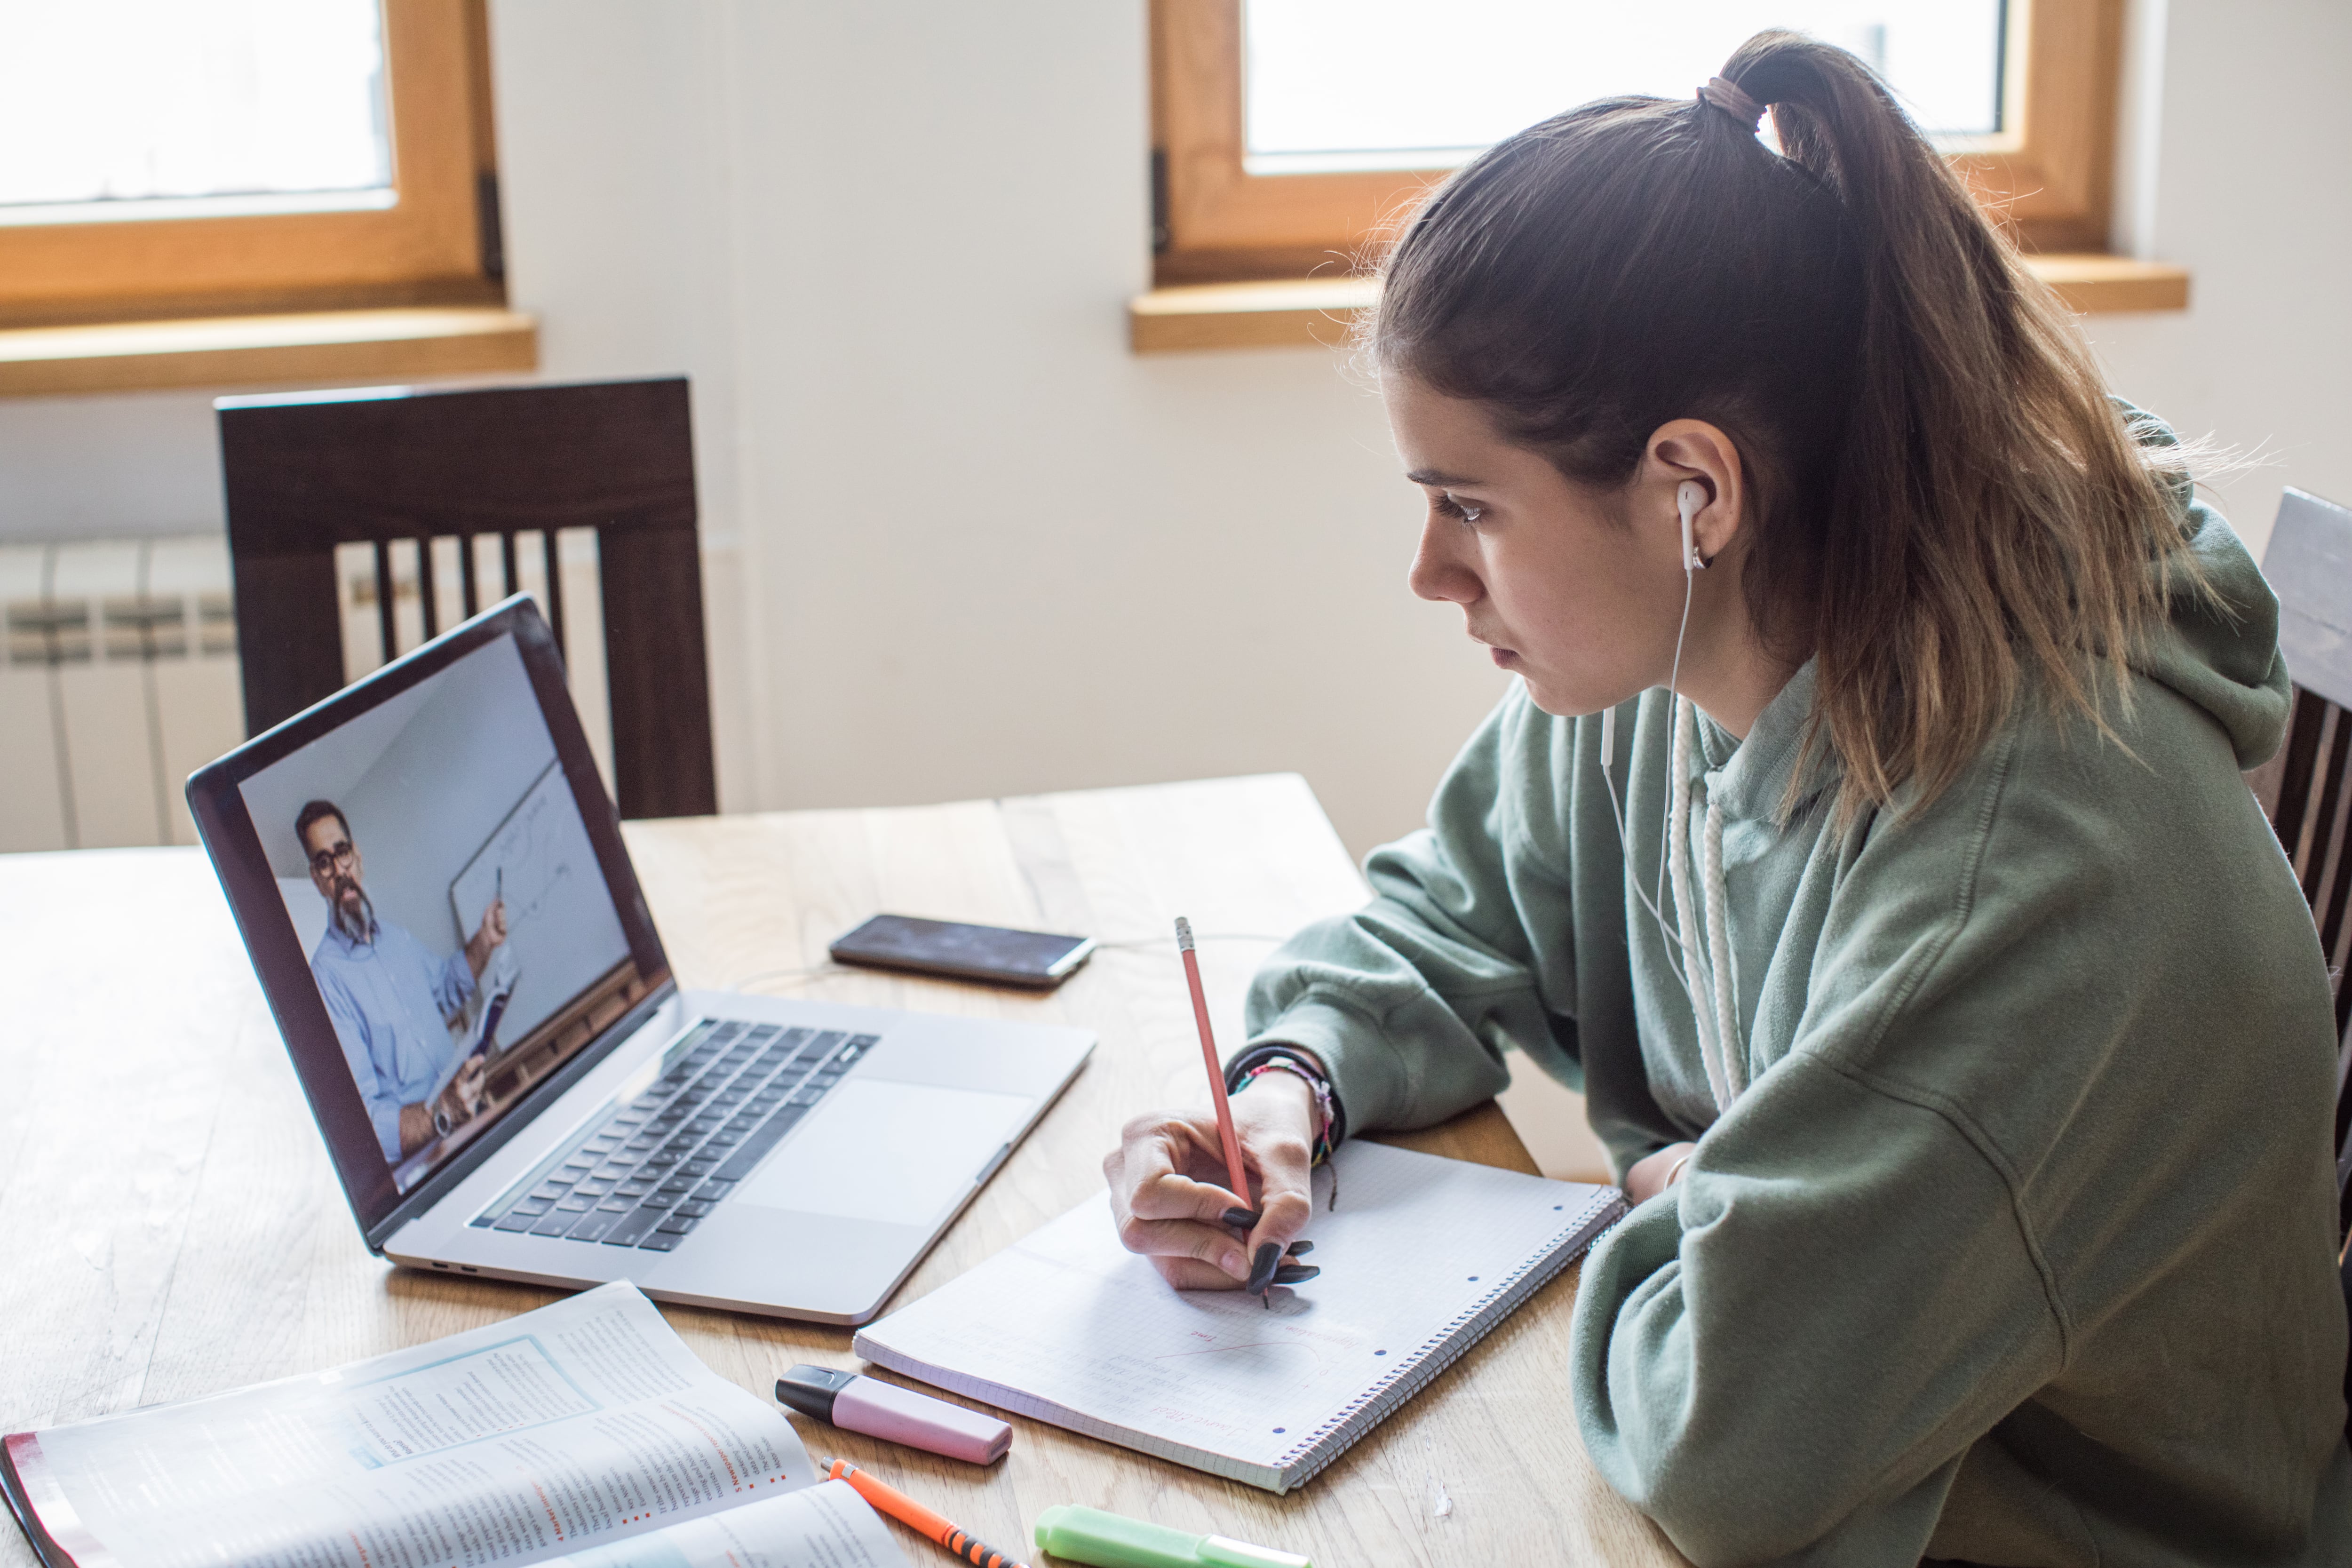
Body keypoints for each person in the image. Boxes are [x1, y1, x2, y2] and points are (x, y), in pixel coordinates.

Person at [1101, 32, 2350, 1568]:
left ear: (1695, 490)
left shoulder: (2038, 873)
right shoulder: (1684, 668)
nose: (1429, 574)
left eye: (1469, 509)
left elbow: (1722, 1447)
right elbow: (1450, 914)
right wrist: (1286, 1086)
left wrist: (1684, 1207)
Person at [297, 799, 508, 1163]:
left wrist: (486, 939)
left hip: (470, 1123)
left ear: (358, 857)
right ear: (317, 879)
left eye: (342, 852)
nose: (338, 869)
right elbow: (364, 1122)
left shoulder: (397, 939)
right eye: (324, 862)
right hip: (428, 1160)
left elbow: (448, 986)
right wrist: (441, 1112)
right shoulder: (326, 978)